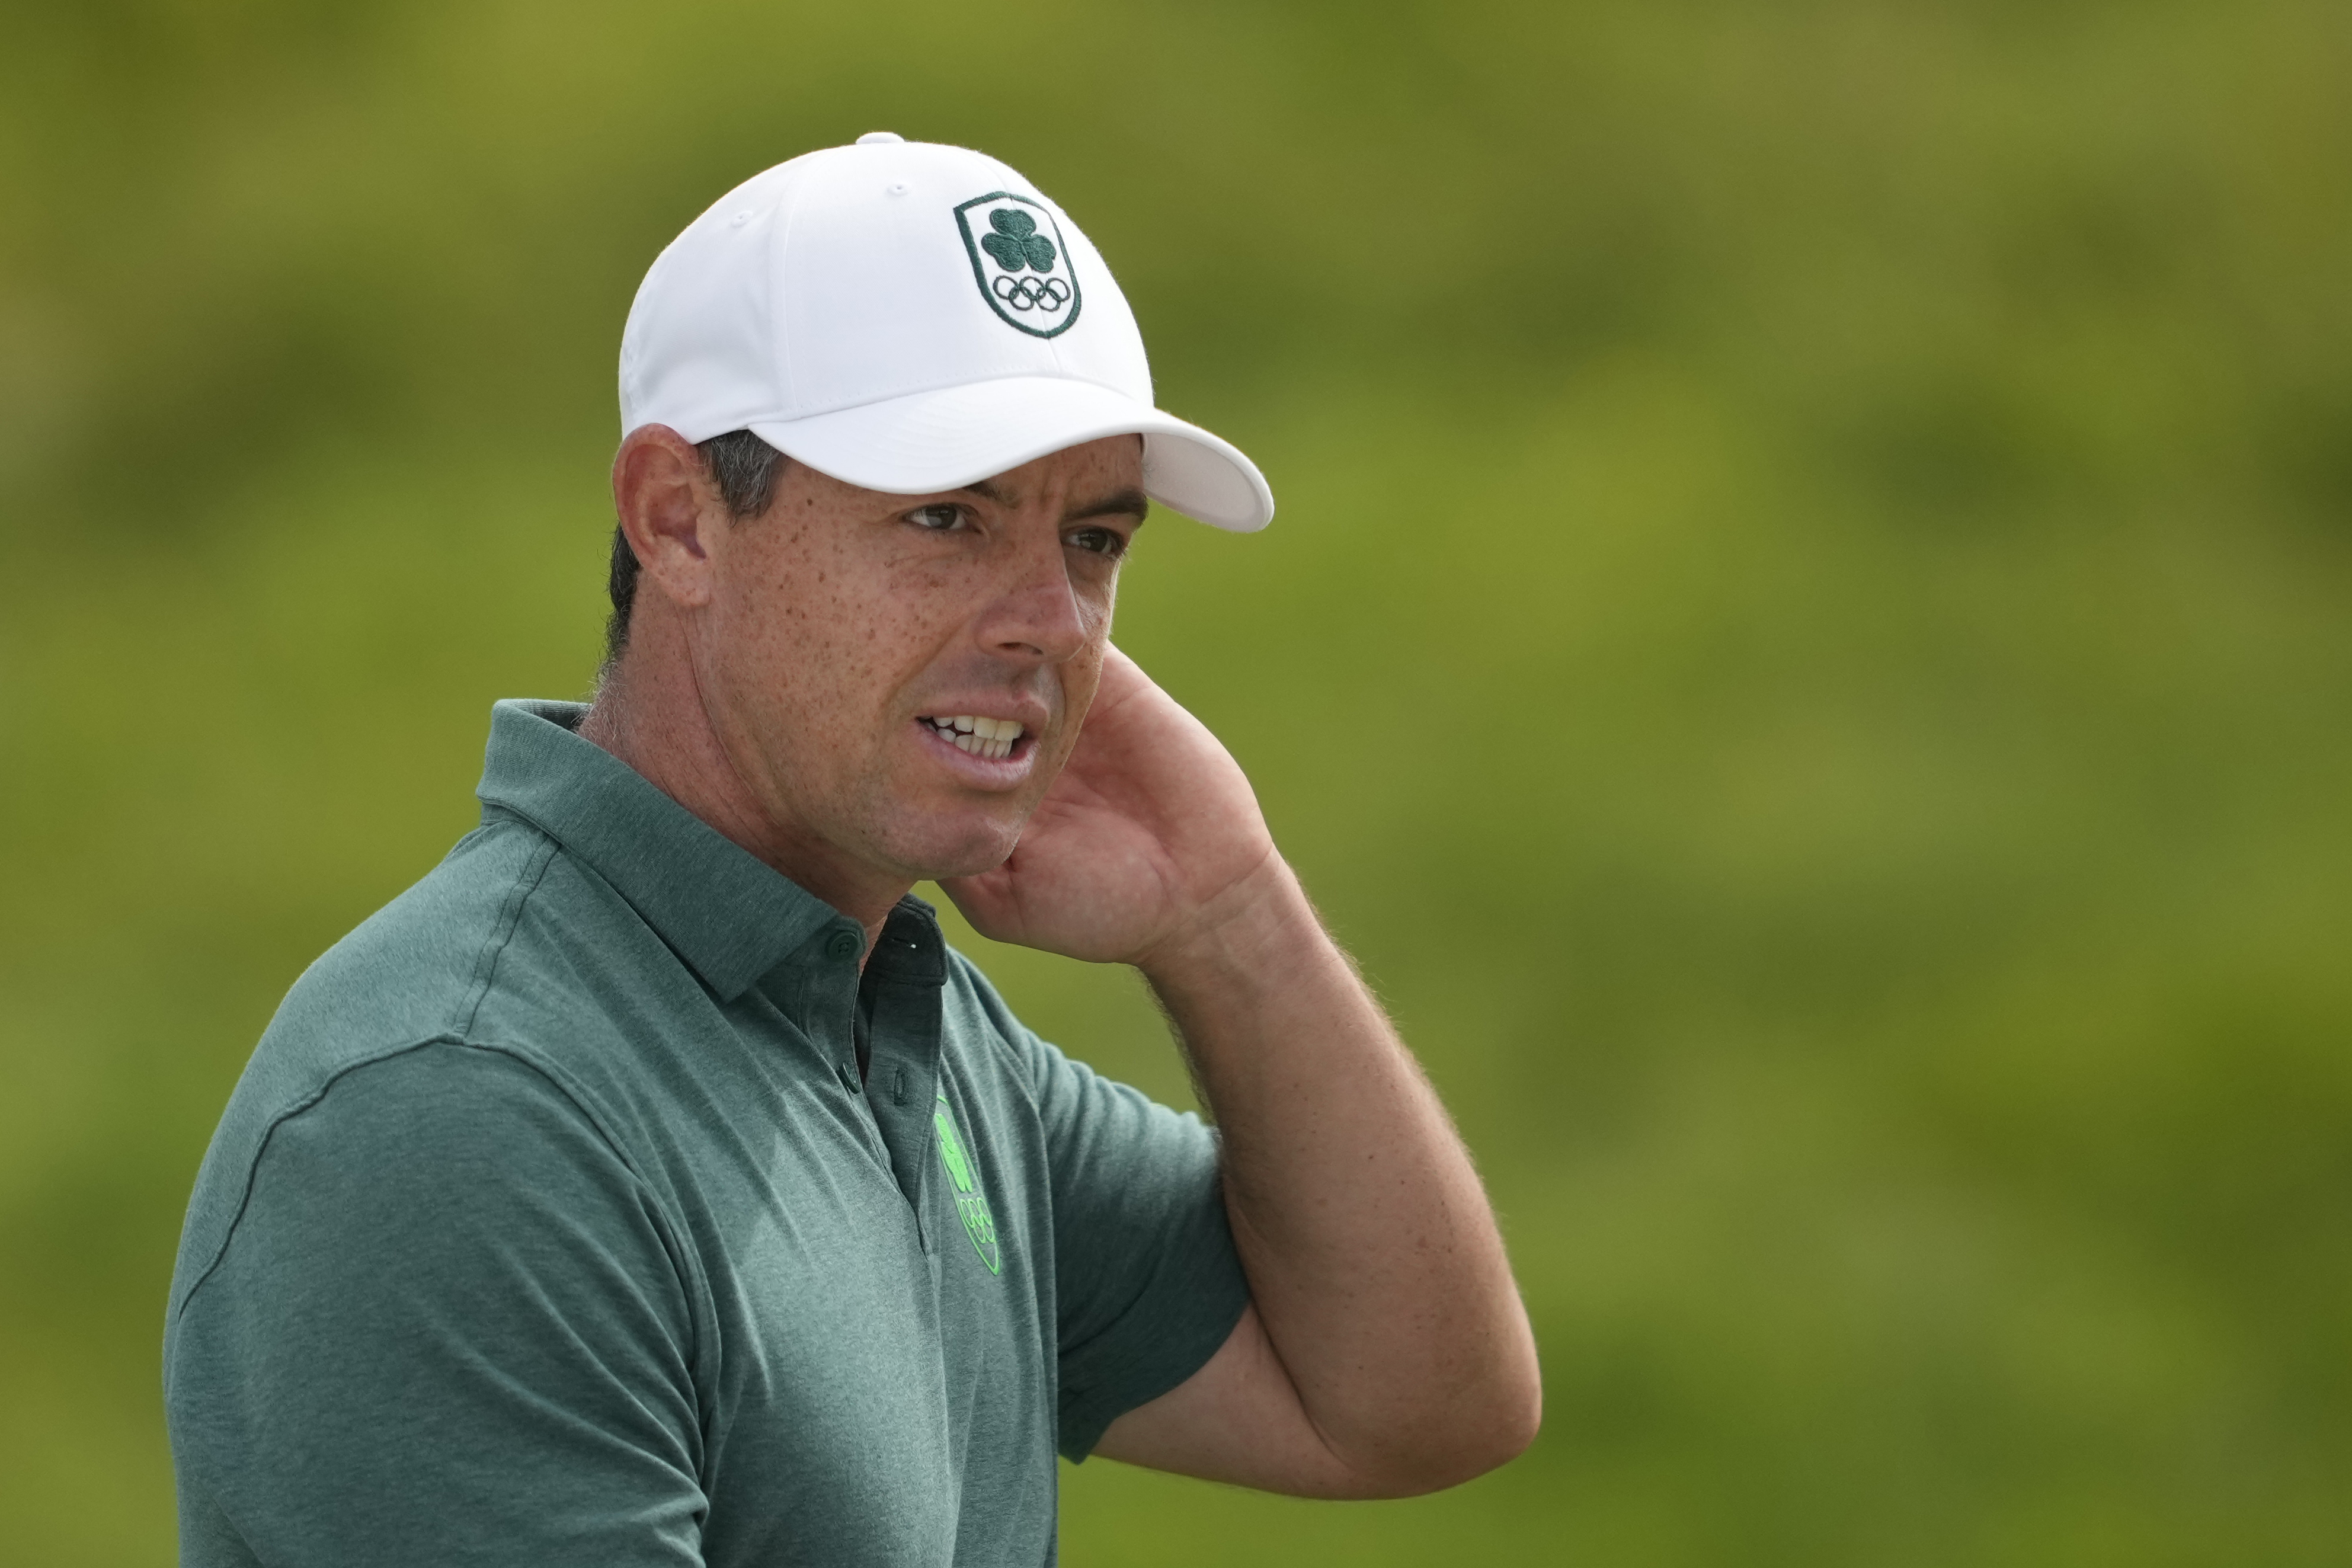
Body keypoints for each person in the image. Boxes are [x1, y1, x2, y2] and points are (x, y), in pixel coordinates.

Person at [163, 134, 1540, 1567]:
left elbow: (1410, 1406)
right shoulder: (461, 1116)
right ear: (679, 519)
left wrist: (1232, 920)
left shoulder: (911, 1031)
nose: (1052, 624)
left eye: (1091, 539)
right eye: (945, 517)